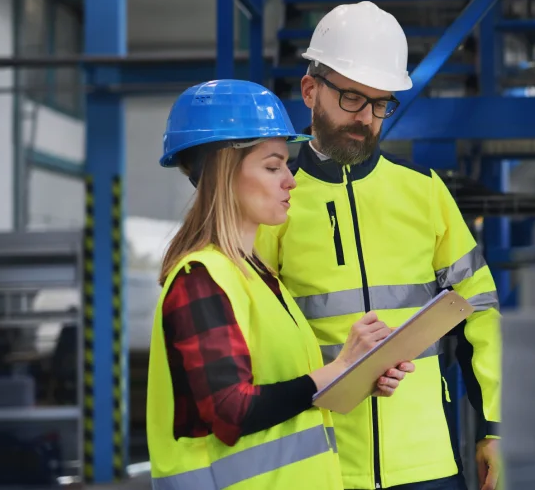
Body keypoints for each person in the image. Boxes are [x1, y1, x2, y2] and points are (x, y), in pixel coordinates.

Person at [255, 1, 503, 490]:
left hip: (425, 460)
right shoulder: (277, 200)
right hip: (320, 464)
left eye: (380, 103)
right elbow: (256, 338)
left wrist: (495, 427)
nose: (365, 117)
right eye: (350, 98)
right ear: (310, 91)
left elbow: (480, 313)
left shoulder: (425, 194)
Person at [146, 79, 415, 490]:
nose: (289, 180)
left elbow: (290, 395)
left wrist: (355, 375)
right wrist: (337, 370)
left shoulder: (258, 275)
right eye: (272, 166)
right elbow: (231, 411)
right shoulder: (199, 280)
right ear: (224, 175)